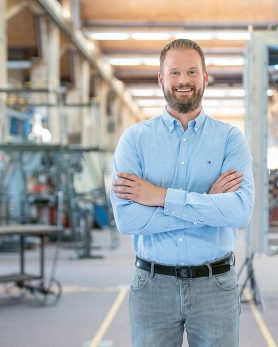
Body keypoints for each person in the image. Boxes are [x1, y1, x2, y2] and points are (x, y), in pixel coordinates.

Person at [110, 38, 254, 347]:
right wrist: (208, 206)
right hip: (152, 287)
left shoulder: (231, 139)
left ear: (205, 77)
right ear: (161, 79)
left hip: (215, 286)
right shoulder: (134, 141)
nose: (183, 81)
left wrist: (159, 196)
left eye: (191, 72)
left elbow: (240, 211)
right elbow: (128, 220)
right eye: (174, 73)